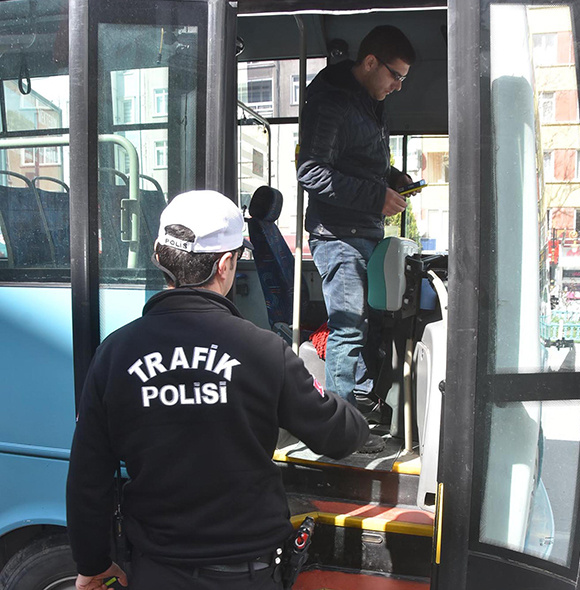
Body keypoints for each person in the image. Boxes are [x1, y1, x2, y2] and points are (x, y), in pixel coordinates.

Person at [66, 190, 369, 590]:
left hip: (156, 571)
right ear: (226, 264)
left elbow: (89, 476)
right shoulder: (264, 351)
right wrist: (320, 382)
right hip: (248, 574)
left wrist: (92, 561)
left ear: (159, 257)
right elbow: (341, 436)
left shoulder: (113, 354)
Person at [297, 26, 417, 452]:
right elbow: (311, 172)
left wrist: (389, 179)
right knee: (348, 330)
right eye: (395, 76)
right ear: (370, 63)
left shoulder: (366, 100)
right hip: (340, 234)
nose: (398, 86)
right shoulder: (331, 101)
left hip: (362, 230)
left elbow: (355, 161)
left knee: (363, 329)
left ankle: (354, 416)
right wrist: (374, 194)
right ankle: (340, 433)